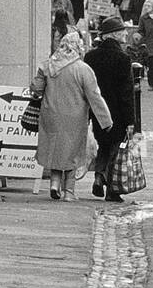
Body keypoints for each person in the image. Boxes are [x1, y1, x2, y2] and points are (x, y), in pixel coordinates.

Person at [32, 31, 113, 202]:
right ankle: (69, 191)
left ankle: (54, 184)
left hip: (50, 114)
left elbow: (37, 89)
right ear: (77, 47)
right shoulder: (83, 69)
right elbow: (94, 96)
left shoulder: (47, 65)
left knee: (55, 149)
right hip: (74, 117)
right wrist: (105, 120)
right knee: (72, 152)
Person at [84, 16, 136, 202]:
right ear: (113, 35)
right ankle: (112, 190)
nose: (125, 33)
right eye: (122, 31)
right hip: (117, 113)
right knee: (115, 148)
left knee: (103, 145)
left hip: (97, 110)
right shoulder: (122, 58)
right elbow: (126, 92)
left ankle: (99, 176)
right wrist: (131, 120)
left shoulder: (90, 56)